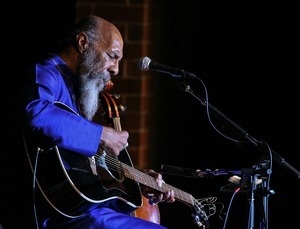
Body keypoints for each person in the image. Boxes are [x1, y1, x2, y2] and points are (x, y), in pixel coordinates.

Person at [19, 14, 176, 229]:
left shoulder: (79, 87)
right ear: (83, 43)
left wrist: (137, 180)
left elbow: (82, 165)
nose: (116, 69)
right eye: (112, 56)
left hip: (84, 209)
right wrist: (102, 134)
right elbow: (36, 114)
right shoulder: (47, 73)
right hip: (61, 214)